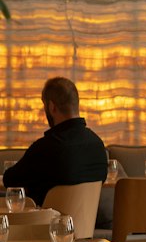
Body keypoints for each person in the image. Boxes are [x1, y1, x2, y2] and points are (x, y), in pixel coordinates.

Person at [3, 77, 108, 206]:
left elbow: (10, 181)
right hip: (88, 225)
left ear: (52, 107)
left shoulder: (46, 148)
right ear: (76, 104)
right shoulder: (97, 145)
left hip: (47, 224)